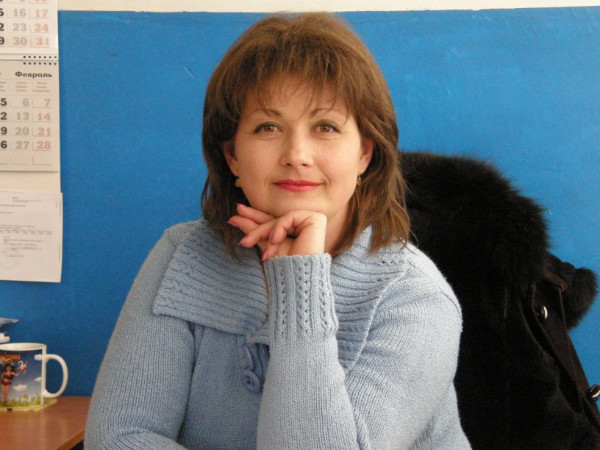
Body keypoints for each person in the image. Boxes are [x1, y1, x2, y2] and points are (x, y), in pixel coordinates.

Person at [85, 12, 471, 450]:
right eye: (268, 127)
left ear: (364, 154)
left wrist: (300, 283)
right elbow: (118, 438)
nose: (297, 154)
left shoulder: (415, 297)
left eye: (325, 127)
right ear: (232, 156)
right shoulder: (183, 256)